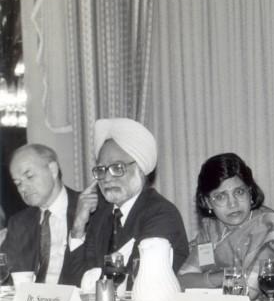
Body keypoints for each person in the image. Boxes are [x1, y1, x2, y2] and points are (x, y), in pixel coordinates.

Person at [178, 153, 274, 301]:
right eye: (221, 196)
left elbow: (247, 291)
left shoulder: (269, 226)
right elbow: (182, 281)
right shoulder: (212, 231)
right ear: (207, 202)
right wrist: (220, 277)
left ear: (250, 192)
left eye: (239, 192)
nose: (233, 204)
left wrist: (207, 282)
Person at [69, 118, 189, 286]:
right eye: (101, 170)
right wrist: (78, 227)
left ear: (140, 169)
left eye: (117, 168)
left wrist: (92, 278)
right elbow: (73, 281)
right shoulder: (100, 216)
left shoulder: (161, 214)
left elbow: (136, 283)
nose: (107, 178)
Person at [0, 144, 80, 284]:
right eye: (18, 183)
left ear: (53, 170)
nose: (23, 188)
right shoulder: (19, 223)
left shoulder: (90, 210)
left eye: (29, 176)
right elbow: (6, 278)